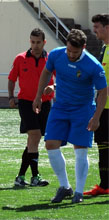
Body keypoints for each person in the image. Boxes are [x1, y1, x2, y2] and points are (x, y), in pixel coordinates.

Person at [33, 29, 107, 203]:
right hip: (60, 107)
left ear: (84, 47)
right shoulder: (57, 55)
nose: (71, 55)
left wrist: (96, 117)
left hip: (83, 109)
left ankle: (79, 192)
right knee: (50, 144)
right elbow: (46, 72)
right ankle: (65, 186)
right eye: (69, 50)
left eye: (75, 52)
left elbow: (103, 92)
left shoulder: (93, 65)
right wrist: (38, 96)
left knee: (80, 149)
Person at [8, 28, 54, 187]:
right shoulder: (20, 59)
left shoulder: (50, 59)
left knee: (34, 141)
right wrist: (11, 97)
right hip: (26, 103)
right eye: (33, 42)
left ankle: (21, 176)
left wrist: (54, 86)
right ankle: (35, 176)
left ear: (44, 42)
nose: (35, 45)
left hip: (45, 103)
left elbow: (60, 78)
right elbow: (12, 79)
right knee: (34, 136)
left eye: (38, 42)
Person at [84, 13, 109, 196]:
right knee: (103, 146)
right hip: (103, 107)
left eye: (97, 27)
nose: (94, 30)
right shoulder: (103, 48)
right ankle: (105, 185)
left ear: (107, 28)